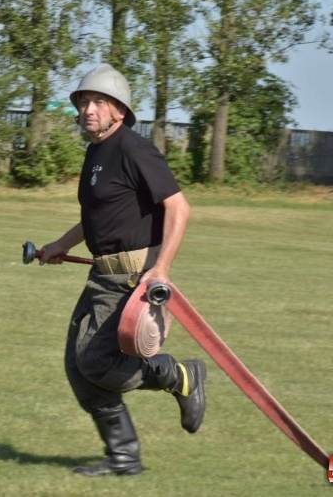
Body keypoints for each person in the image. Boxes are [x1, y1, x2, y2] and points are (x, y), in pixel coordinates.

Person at [39, 64, 206, 477]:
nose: (88, 109)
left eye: (98, 102)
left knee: (95, 362)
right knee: (79, 368)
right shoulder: (96, 152)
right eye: (83, 102)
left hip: (132, 277)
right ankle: (124, 457)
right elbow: (99, 215)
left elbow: (178, 207)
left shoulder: (134, 149)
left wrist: (162, 268)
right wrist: (62, 245)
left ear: (119, 110)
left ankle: (177, 374)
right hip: (103, 274)